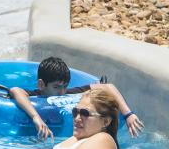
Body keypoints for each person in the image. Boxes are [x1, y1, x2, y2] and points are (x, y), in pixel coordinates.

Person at [9, 57, 143, 140]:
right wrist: (35, 117)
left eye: (65, 87)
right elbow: (15, 90)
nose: (62, 92)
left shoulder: (70, 93)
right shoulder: (35, 95)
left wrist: (128, 114)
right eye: (56, 87)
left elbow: (107, 87)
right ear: (41, 84)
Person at [40, 89, 121, 149]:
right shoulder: (78, 138)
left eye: (85, 113)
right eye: (75, 112)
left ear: (105, 122)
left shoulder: (103, 139)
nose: (77, 118)